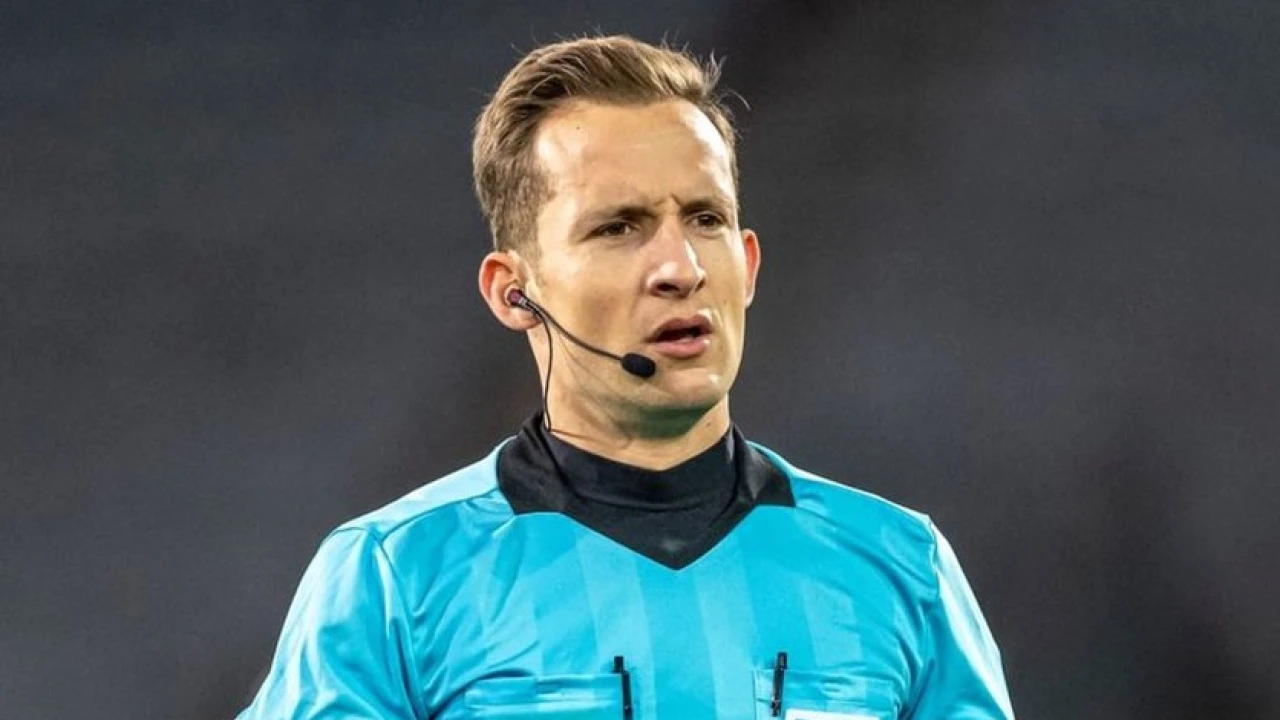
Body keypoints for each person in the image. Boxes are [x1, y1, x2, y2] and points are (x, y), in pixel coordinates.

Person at [237, 34, 1015, 719]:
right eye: (619, 227)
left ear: (747, 266)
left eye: (705, 219)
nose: (681, 267)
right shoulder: (393, 580)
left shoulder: (900, 569)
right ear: (514, 292)